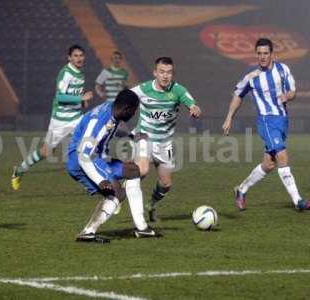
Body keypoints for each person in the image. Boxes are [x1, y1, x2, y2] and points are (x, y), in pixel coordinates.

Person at [222, 38, 309, 211]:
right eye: (259, 53)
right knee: (282, 155)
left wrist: (287, 96)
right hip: (266, 121)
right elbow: (238, 95)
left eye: (265, 53)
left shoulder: (283, 69)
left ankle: (241, 189)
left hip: (282, 120)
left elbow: (292, 91)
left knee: (269, 164)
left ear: (272, 54)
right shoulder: (251, 77)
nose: (262, 57)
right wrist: (229, 117)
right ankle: (298, 201)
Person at [67, 89, 159, 243]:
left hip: (97, 157)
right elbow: (83, 153)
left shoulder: (114, 109)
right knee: (117, 193)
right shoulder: (99, 121)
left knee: (133, 171)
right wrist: (100, 180)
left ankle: (142, 228)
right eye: (134, 111)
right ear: (127, 109)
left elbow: (115, 127)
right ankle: (87, 232)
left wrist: (131, 135)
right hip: (81, 160)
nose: (134, 114)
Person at [129, 57, 201, 222]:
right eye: (161, 72)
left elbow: (192, 104)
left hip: (164, 142)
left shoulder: (178, 90)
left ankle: (151, 205)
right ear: (155, 73)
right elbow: (126, 97)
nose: (165, 76)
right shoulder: (144, 89)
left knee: (166, 184)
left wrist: (195, 109)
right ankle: (119, 196)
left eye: (169, 72)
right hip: (144, 135)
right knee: (143, 170)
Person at [12, 44, 93, 190]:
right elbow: (60, 96)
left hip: (77, 119)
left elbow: (73, 97)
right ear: (69, 57)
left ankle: (101, 185)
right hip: (60, 121)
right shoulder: (66, 73)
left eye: (81, 55)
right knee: (46, 152)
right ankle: (19, 170)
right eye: (75, 55)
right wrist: (81, 98)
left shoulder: (80, 74)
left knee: (90, 145)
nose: (79, 58)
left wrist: (82, 104)